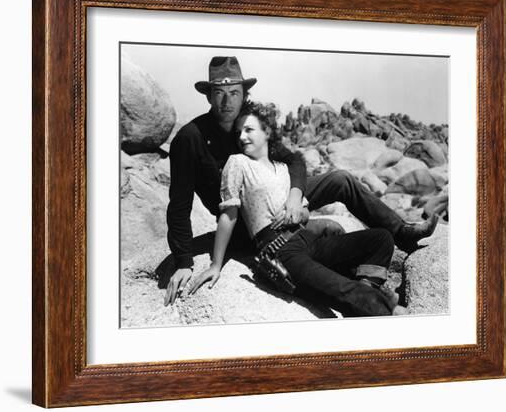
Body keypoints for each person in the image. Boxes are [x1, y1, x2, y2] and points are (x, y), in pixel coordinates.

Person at [164, 56, 437, 305]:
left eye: (234, 93)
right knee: (329, 230)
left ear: (244, 94)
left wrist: (295, 197)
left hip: (280, 199)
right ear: (209, 97)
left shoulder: (250, 123)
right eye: (219, 94)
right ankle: (366, 288)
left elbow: (294, 159)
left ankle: (402, 234)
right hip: (248, 224)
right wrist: (184, 262)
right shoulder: (190, 138)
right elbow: (179, 206)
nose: (227, 102)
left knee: (340, 179)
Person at [189, 102, 404, 316]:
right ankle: (377, 307)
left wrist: (298, 212)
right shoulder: (237, 163)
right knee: (345, 289)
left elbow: (305, 211)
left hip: (307, 238)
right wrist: (216, 264)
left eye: (249, 130)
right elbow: (229, 214)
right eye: (238, 133)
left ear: (267, 132)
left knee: (382, 239)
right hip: (279, 251)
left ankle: (366, 297)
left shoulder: (283, 168)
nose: (242, 137)